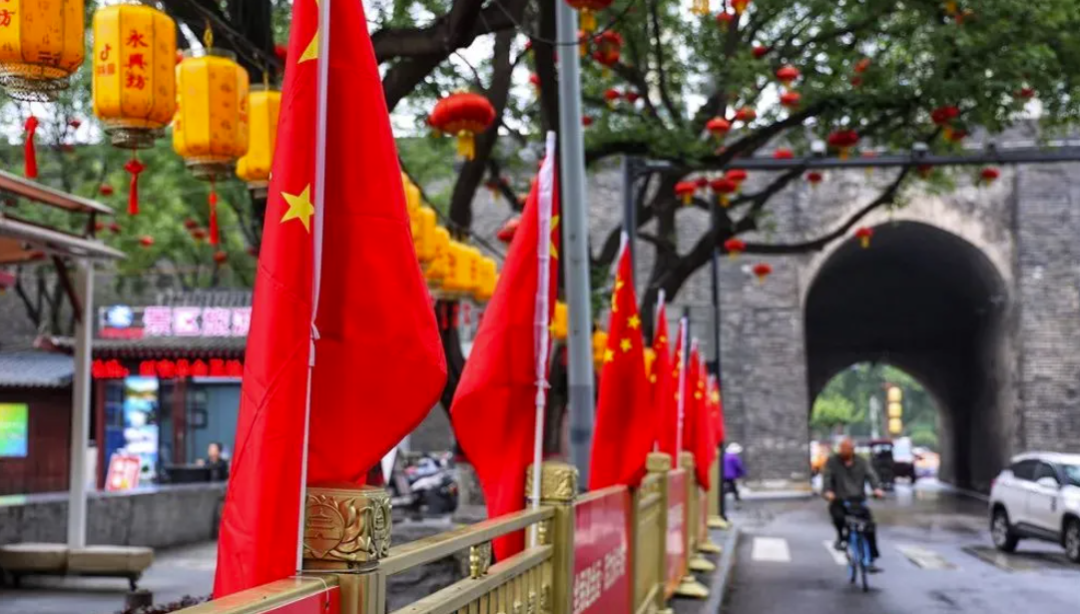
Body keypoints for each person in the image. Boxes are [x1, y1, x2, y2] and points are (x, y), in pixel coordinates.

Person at [823, 438, 885, 571]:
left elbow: (871, 476)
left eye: (846, 449)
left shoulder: (862, 462)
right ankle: (841, 538)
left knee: (870, 527)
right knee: (838, 517)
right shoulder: (833, 462)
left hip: (857, 501)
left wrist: (876, 489)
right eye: (842, 448)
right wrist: (828, 491)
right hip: (839, 500)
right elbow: (827, 478)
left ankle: (871, 559)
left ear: (852, 450)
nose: (843, 451)